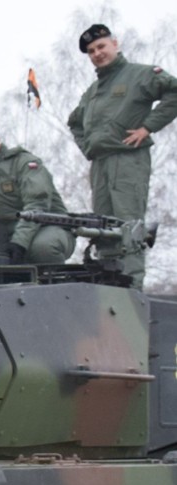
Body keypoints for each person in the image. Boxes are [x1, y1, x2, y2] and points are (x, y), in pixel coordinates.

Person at [67, 24, 177, 288]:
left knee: (128, 227)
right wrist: (88, 148)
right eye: (91, 51)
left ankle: (132, 292)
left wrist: (148, 127)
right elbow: (74, 122)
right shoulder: (93, 91)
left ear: (115, 44)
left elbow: (174, 91)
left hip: (128, 160)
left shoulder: (140, 75)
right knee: (103, 228)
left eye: (101, 46)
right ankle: (109, 290)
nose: (97, 53)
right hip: (101, 164)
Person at [0, 123, 76, 264]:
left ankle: (54, 283)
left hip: (47, 227)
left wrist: (19, 243)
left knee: (42, 247)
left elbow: (37, 205)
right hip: (9, 236)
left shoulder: (24, 164)